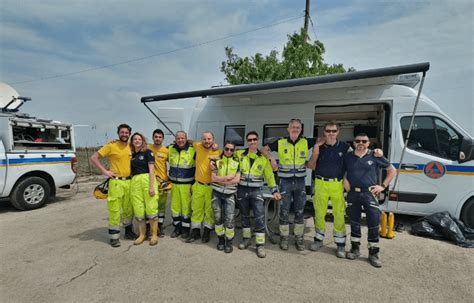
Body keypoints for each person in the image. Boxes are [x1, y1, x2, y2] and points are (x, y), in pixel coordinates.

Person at [307, 122, 384, 258]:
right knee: (319, 212)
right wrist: (316, 148)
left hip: (337, 184)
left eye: (334, 131)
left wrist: (376, 152)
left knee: (339, 213)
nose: (331, 134)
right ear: (324, 132)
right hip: (320, 183)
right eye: (328, 131)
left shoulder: (345, 147)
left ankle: (340, 244)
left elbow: (358, 158)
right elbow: (311, 166)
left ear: (338, 132)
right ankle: (318, 240)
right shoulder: (318, 146)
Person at [263, 118, 318, 251]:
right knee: (284, 210)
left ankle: (299, 238)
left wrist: (314, 155)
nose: (295, 129)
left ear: (300, 129)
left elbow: (322, 140)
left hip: (300, 182)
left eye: (298, 127)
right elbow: (264, 149)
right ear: (288, 129)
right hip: (284, 182)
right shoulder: (281, 142)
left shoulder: (306, 141)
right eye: (293, 127)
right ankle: (284, 238)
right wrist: (272, 159)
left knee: (299, 211)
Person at [343, 133, 396, 268]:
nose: (361, 143)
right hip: (353, 194)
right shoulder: (348, 156)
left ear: (368, 143)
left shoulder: (375, 155)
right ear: (353, 143)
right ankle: (355, 249)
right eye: (358, 141)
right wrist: (345, 181)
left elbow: (392, 171)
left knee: (373, 223)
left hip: (370, 194)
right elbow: (342, 170)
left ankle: (373, 253)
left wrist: (382, 186)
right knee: (354, 222)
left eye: (364, 141)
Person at [236, 131, 281, 258]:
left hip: (256, 191)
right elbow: (227, 160)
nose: (252, 142)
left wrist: (275, 190)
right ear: (246, 141)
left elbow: (269, 175)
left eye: (254, 139)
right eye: (249, 140)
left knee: (259, 217)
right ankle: (246, 239)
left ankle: (260, 245)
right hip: (242, 189)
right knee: (244, 216)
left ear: (258, 140)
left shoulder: (263, 158)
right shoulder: (239, 154)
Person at [90, 123, 135, 247]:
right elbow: (94, 158)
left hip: (129, 182)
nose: (124, 134)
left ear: (129, 134)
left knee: (128, 209)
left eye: (126, 132)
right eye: (122, 132)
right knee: (114, 209)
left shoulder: (131, 147)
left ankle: (129, 232)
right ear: (118, 133)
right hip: (116, 182)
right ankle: (114, 237)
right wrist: (105, 171)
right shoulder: (111, 145)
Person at [187, 131, 221, 243]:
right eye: (204, 139)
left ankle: (207, 231)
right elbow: (190, 141)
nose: (207, 141)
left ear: (213, 140)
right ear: (201, 140)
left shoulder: (218, 152)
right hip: (198, 185)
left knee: (209, 210)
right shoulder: (198, 146)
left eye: (209, 139)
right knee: (196, 209)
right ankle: (195, 231)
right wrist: (181, 140)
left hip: (212, 186)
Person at [129, 132, 159, 246]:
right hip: (135, 182)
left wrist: (151, 186)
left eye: (139, 139)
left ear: (142, 141)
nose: (137, 141)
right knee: (139, 209)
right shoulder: (131, 154)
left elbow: (151, 170)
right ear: (132, 141)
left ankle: (154, 234)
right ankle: (142, 235)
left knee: (151, 208)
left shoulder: (147, 152)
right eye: (135, 139)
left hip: (147, 180)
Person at [210, 141, 240, 253]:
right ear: (224, 148)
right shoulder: (216, 160)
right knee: (217, 217)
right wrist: (228, 178)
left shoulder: (237, 162)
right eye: (227, 149)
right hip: (216, 193)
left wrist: (220, 179)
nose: (229, 151)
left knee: (230, 219)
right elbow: (213, 178)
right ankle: (221, 239)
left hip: (230, 195)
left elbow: (237, 180)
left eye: (231, 150)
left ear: (234, 151)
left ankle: (229, 241)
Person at [168, 131, 196, 239]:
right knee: (175, 208)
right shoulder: (170, 149)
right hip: (174, 184)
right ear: (175, 139)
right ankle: (177, 228)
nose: (180, 140)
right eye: (178, 138)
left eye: (182, 138)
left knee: (186, 208)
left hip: (187, 184)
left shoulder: (193, 150)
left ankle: (185, 229)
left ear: (186, 139)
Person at [148, 129, 169, 237]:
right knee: (150, 205)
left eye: (160, 137)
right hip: (150, 182)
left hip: (163, 183)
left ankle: (159, 227)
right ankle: (149, 228)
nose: (158, 139)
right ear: (153, 137)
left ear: (163, 139)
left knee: (161, 206)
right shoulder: (147, 148)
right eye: (156, 136)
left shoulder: (166, 151)